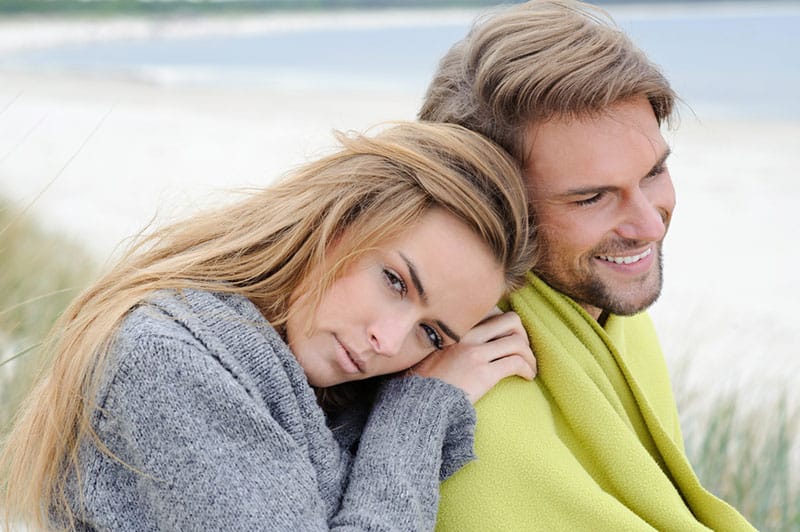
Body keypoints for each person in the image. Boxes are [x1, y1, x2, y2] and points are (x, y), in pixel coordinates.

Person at [0, 122, 538, 531]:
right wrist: (417, 413)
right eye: (395, 281)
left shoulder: (319, 392)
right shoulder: (168, 361)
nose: (390, 341)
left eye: (432, 334)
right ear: (335, 221)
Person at [419, 1, 754, 530]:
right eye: (592, 198)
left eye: (654, 172)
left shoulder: (614, 314)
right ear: (490, 208)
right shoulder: (475, 401)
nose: (649, 226)